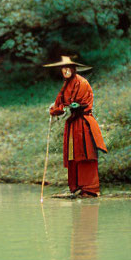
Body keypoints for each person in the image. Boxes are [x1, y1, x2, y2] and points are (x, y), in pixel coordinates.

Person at [44, 55, 107, 198]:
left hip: (83, 123)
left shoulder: (82, 83)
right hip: (72, 124)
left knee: (85, 154)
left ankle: (89, 188)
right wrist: (54, 110)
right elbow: (59, 103)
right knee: (72, 155)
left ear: (73, 69)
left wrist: (69, 108)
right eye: (63, 69)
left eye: (68, 69)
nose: (65, 71)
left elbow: (80, 104)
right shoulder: (66, 85)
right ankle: (75, 187)